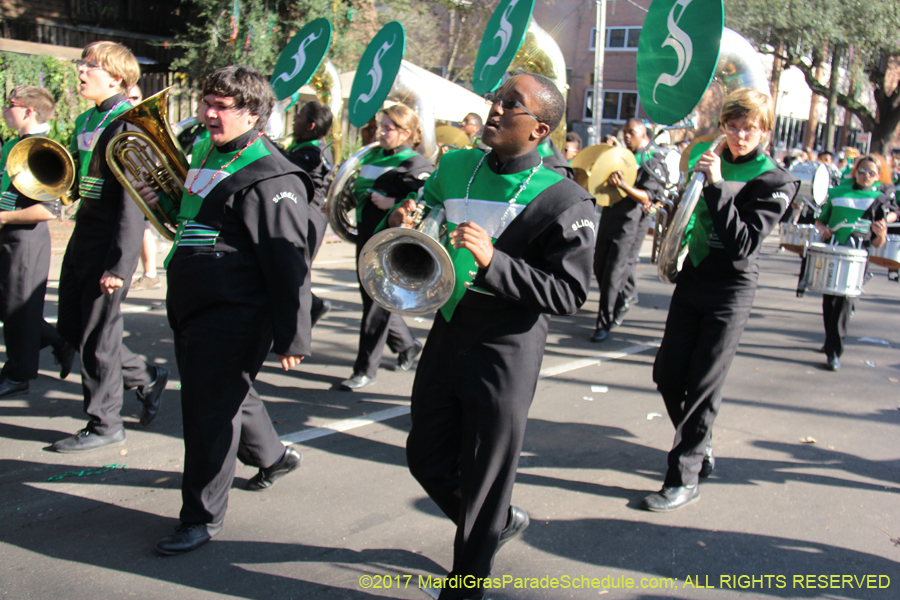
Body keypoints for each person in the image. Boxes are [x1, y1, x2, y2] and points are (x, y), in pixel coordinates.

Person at [388, 73, 595, 600]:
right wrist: (408, 216)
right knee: (426, 458)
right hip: (449, 327)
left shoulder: (565, 198)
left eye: (511, 105)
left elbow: (569, 293)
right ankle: (492, 526)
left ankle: (467, 583)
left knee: (485, 480)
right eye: (496, 99)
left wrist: (494, 262)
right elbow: (428, 206)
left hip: (507, 349)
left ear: (539, 129)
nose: (495, 109)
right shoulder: (458, 163)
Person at [150, 65, 313, 555]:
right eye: (207, 102)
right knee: (226, 394)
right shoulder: (205, 150)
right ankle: (273, 457)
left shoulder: (273, 177)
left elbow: (289, 262)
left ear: (255, 114)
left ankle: (201, 517)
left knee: (208, 414)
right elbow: (199, 211)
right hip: (192, 300)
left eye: (222, 107)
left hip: (235, 311)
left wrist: (293, 335)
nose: (208, 113)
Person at [645, 88, 799, 512]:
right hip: (694, 277)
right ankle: (701, 441)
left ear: (764, 130)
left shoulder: (776, 180)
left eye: (748, 128)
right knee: (667, 375)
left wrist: (714, 186)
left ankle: (684, 476)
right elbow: (688, 213)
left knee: (703, 386)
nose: (738, 135)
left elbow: (742, 243)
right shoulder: (710, 157)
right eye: (732, 126)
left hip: (731, 288)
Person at [53, 41, 168, 453]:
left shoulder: (128, 123)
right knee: (71, 326)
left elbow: (132, 202)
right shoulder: (87, 118)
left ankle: (105, 423)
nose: (80, 71)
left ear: (116, 77)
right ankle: (146, 377)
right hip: (84, 235)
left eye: (90, 65)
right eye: (81, 64)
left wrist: (120, 264)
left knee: (99, 337)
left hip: (109, 244)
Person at [339, 103, 432, 391]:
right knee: (372, 298)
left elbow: (427, 200)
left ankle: (365, 369)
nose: (381, 131)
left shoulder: (416, 163)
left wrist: (393, 204)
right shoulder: (372, 155)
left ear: (406, 133)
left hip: (389, 242)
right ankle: (407, 345)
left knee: (376, 304)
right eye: (382, 125)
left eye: (388, 128)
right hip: (365, 235)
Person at [0, 86, 76, 397]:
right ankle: (58, 340)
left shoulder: (46, 148)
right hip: (7, 233)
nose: (5, 109)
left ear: (29, 111)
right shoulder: (11, 144)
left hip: (25, 239)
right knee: (9, 307)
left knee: (20, 309)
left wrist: (3, 218)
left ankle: (18, 375)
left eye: (10, 104)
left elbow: (50, 209)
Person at [814, 155, 895, 371]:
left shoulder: (880, 200)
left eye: (871, 172)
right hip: (833, 250)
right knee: (829, 300)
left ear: (878, 176)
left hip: (858, 255)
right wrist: (823, 229)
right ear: (854, 172)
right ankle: (830, 341)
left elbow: (878, 242)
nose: (866, 176)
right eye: (862, 171)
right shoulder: (837, 192)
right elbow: (821, 219)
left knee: (844, 302)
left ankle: (834, 352)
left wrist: (882, 233)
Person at [590, 119, 668, 342]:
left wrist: (623, 186)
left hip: (630, 223)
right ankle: (628, 295)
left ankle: (603, 324)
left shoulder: (651, 160)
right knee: (600, 268)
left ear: (644, 135)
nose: (626, 136)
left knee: (614, 274)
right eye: (625, 132)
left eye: (631, 133)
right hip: (609, 218)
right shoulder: (622, 157)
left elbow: (649, 196)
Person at [284, 100, 334, 327]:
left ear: (311, 125)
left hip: (308, 217)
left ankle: (302, 322)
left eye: (299, 116)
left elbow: (284, 168)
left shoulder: (313, 152)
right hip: (302, 214)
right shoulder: (305, 147)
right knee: (291, 273)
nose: (295, 119)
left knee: (295, 274)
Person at [123, 84, 162, 292]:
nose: (131, 103)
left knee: (144, 228)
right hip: (133, 184)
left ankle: (150, 273)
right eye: (126, 98)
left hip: (144, 183)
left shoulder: (144, 126)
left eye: (135, 97)